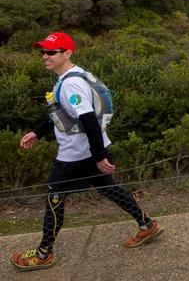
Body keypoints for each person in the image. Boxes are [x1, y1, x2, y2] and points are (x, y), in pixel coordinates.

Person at [10, 32, 162, 271]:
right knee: (109, 188)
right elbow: (63, 115)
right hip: (93, 148)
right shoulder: (73, 76)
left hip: (76, 155)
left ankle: (43, 254)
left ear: (67, 53)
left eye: (51, 52)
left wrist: (99, 157)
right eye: (43, 51)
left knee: (54, 199)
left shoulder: (71, 83)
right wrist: (37, 132)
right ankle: (147, 224)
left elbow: (89, 120)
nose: (44, 56)